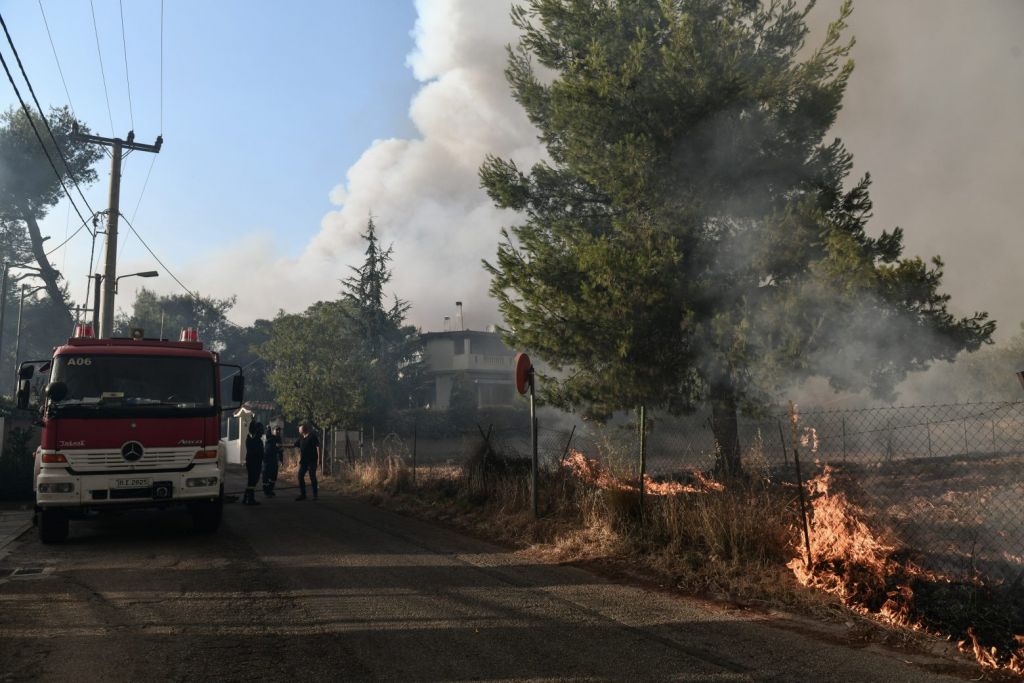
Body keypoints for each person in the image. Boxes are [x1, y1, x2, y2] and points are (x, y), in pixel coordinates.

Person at [294, 423, 321, 501]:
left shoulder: (312, 436)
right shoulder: (301, 438)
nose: (299, 430)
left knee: (312, 477)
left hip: (312, 461)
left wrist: (319, 459)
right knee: (300, 476)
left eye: (300, 428)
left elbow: (318, 447)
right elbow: (294, 445)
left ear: (304, 429)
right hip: (304, 461)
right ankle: (303, 494)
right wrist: (281, 445)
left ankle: (315, 495)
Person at [243, 421, 265, 506]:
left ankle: (246, 497)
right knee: (252, 481)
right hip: (253, 463)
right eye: (261, 430)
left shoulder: (252, 439)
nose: (262, 432)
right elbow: (256, 452)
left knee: (252, 481)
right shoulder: (253, 440)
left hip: (254, 463)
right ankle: (250, 499)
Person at [262, 425, 284, 497]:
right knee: (266, 476)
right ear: (273, 431)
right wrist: (268, 428)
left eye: (279, 430)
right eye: (277, 430)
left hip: (274, 460)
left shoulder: (279, 439)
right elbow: (267, 434)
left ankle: (270, 490)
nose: (278, 431)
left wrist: (281, 460)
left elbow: (280, 451)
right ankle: (266, 492)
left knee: (273, 476)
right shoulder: (270, 437)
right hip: (266, 460)